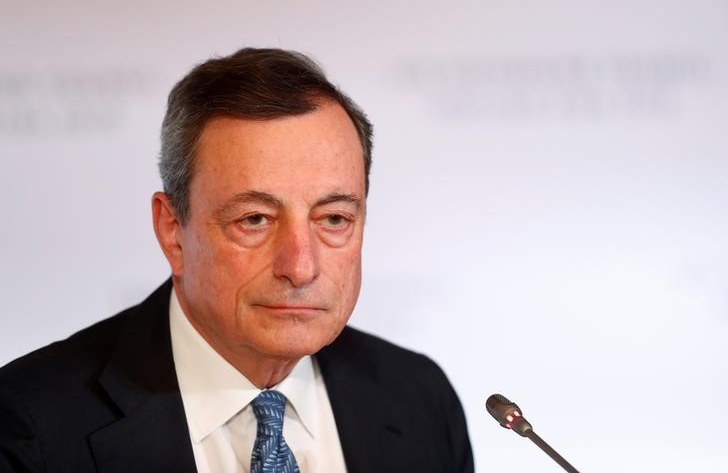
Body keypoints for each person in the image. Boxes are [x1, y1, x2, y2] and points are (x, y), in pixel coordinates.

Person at [0, 48, 473, 473]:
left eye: (332, 218)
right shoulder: (30, 423)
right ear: (172, 230)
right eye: (254, 219)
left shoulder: (420, 399)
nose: (300, 267)